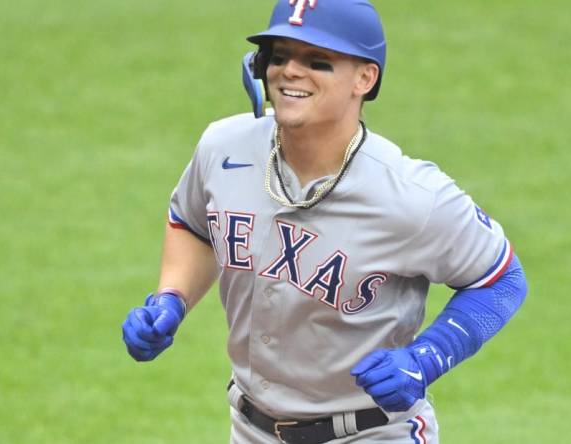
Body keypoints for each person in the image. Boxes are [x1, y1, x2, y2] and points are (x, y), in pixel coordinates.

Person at [121, 1, 528, 442]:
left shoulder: (410, 195)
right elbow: (195, 224)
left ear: (365, 79)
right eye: (279, 56)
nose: (290, 72)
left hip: (371, 433)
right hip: (249, 428)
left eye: (319, 61)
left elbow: (502, 279)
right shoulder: (224, 148)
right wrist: (172, 299)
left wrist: (428, 357)